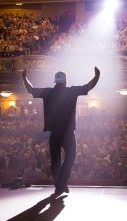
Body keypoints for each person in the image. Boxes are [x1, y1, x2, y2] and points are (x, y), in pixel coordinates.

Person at [22, 66, 100, 194]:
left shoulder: (47, 92)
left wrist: (24, 78)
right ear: (65, 81)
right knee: (71, 155)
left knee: (55, 158)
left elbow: (30, 89)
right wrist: (97, 76)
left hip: (52, 132)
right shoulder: (71, 91)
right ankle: (62, 181)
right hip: (68, 132)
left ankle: (59, 181)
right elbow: (89, 86)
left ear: (55, 81)